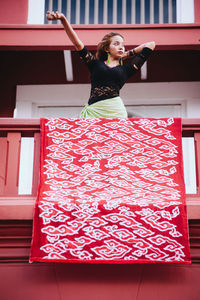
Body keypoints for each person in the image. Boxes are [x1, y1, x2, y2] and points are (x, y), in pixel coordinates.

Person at [47, 11, 155, 118]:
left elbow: (150, 45)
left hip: (116, 112)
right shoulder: (94, 64)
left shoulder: (127, 69)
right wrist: (63, 19)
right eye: (116, 44)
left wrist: (127, 53)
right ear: (107, 48)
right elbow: (77, 43)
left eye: (122, 45)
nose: (121, 47)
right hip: (94, 112)